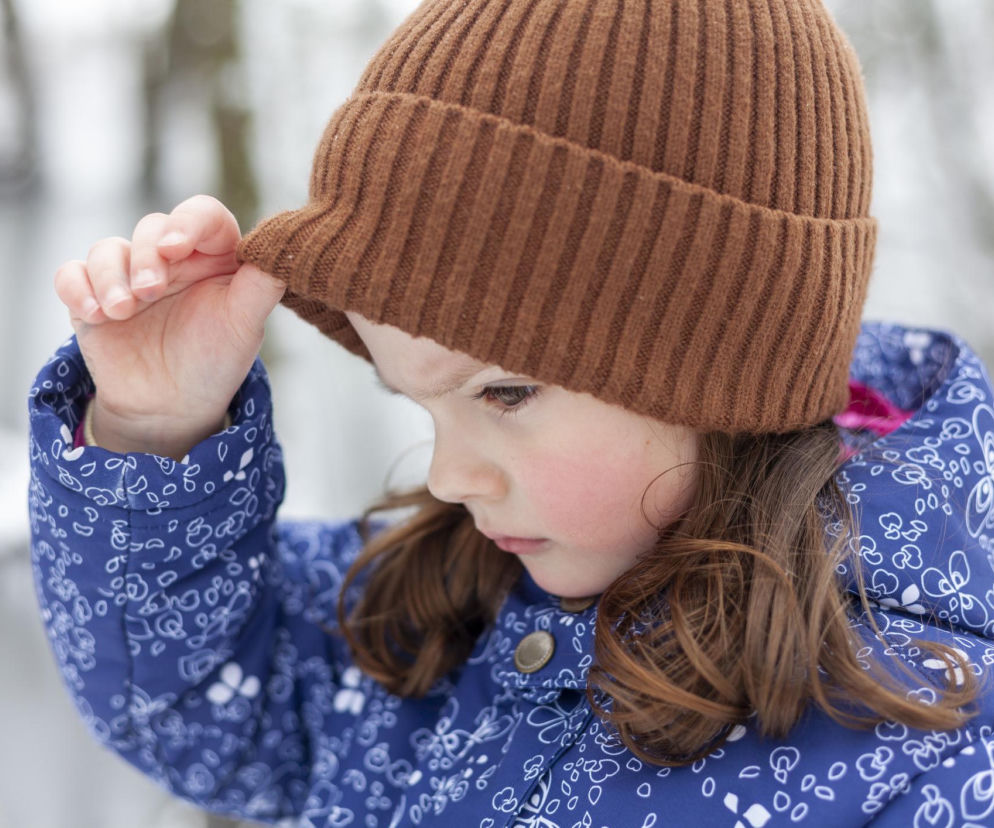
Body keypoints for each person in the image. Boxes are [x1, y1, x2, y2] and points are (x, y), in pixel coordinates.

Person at [27, 0, 994, 824]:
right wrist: (154, 434)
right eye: (420, 403)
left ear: (723, 373)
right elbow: (205, 702)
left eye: (505, 392)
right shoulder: (443, 614)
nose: (450, 477)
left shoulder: (923, 756)